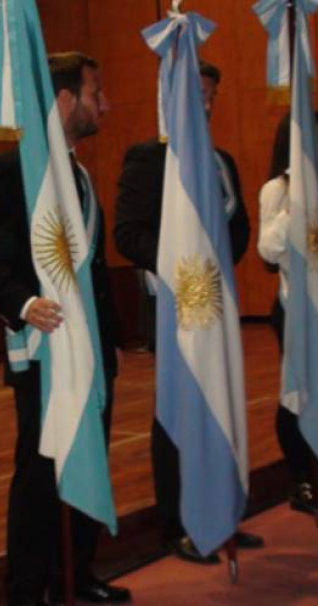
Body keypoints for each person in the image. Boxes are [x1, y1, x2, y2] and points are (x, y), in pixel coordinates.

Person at [0, 52, 129, 606]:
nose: (104, 104)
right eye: (95, 92)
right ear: (65, 100)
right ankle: (27, 588)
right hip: (45, 350)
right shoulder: (14, 170)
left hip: (89, 353)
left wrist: (110, 346)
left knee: (87, 461)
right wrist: (24, 303)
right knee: (39, 475)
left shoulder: (79, 174)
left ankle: (74, 574)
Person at [114, 61, 261, 564]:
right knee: (175, 413)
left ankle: (220, 511)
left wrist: (217, 262)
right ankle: (178, 524)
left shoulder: (221, 161)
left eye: (212, 95)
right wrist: (184, 263)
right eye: (197, 93)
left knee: (220, 398)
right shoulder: (147, 159)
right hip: (173, 307)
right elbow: (127, 233)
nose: (206, 103)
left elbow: (238, 229)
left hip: (215, 304)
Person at [256, 112, 318, 517]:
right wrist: (294, 202)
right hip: (293, 309)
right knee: (296, 393)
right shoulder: (277, 189)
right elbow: (268, 249)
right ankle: (301, 480)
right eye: (316, 136)